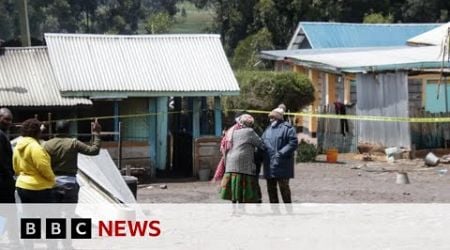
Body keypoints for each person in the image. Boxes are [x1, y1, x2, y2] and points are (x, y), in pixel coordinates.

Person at [43, 119, 101, 203]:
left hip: (52, 184)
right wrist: (97, 134)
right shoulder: (73, 143)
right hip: (70, 183)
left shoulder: (47, 144)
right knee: (69, 214)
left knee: (54, 214)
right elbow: (94, 150)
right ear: (68, 130)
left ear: (56, 129)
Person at [220, 114, 265, 203]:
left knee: (233, 186)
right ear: (251, 124)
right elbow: (260, 144)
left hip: (230, 162)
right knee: (242, 186)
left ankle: (234, 207)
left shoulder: (233, 131)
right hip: (242, 162)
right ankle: (241, 209)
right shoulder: (249, 132)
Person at [13, 118, 55, 203]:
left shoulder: (18, 146)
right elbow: (43, 167)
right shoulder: (36, 147)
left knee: (28, 215)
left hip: (21, 185)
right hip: (38, 188)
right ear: (37, 132)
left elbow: (15, 167)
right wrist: (52, 180)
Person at [262, 107, 298, 203]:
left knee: (284, 188)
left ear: (278, 118)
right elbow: (262, 142)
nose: (271, 120)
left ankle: (288, 209)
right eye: (270, 118)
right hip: (269, 164)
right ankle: (275, 211)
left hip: (283, 164)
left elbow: (293, 143)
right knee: (271, 188)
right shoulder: (268, 130)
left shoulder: (288, 128)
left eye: (272, 117)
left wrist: (280, 153)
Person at [0, 108, 15, 203]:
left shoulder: (3, 134)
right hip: (3, 180)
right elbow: (2, 160)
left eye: (10, 120)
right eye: (6, 119)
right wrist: (9, 176)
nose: (9, 122)